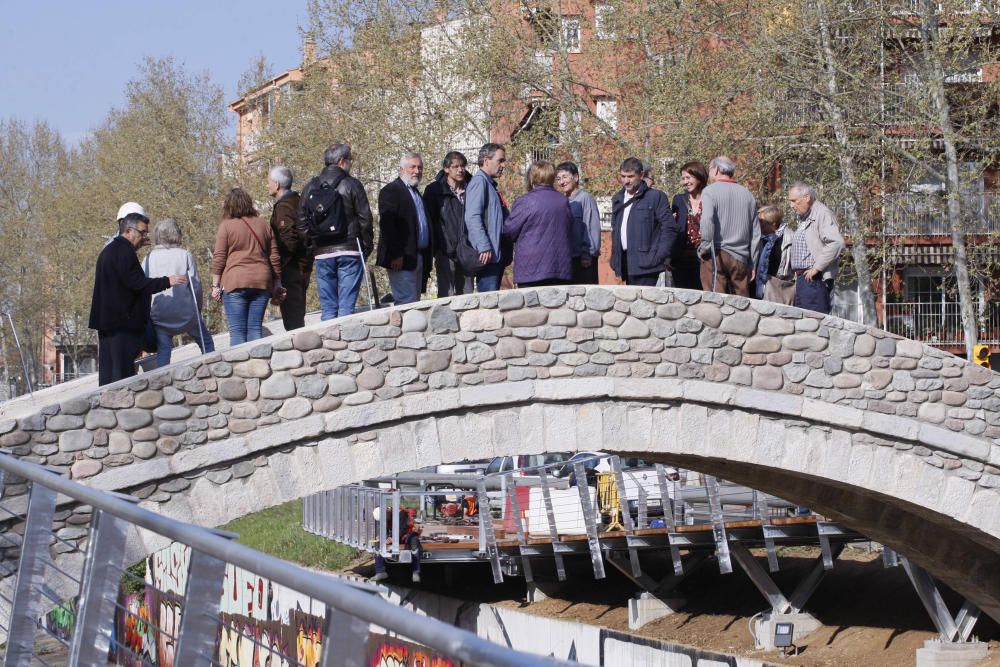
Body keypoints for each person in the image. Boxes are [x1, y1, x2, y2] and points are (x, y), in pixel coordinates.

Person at [89, 209, 187, 386]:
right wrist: (168, 281)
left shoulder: (110, 250)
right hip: (122, 325)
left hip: (108, 323)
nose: (144, 237)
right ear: (128, 231)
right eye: (142, 233)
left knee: (108, 375)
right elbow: (139, 284)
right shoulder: (124, 252)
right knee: (122, 377)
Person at [298, 143, 374, 320]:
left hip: (322, 252)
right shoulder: (352, 184)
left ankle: (329, 344)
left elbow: (301, 223)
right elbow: (365, 218)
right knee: (346, 307)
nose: (351, 164)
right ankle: (346, 344)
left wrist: (312, 246)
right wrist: (366, 246)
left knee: (328, 308)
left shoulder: (311, 186)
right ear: (341, 161)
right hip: (349, 248)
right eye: (350, 161)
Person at [210, 188, 283, 346]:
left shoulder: (226, 226)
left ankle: (241, 369)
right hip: (262, 282)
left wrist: (215, 285)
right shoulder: (264, 225)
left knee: (237, 331)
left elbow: (219, 257)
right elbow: (274, 256)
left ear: (228, 206)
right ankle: (258, 366)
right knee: (255, 329)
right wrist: (277, 281)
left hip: (235, 282)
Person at [144, 219, 214, 367]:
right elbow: (195, 285)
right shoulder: (185, 255)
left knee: (164, 350)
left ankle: (162, 380)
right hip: (186, 313)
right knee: (206, 341)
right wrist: (198, 310)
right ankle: (213, 366)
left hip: (160, 315)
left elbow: (144, 287)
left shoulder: (148, 258)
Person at [503, 160, 575, 287]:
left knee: (531, 306)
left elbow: (509, 231)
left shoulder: (525, 201)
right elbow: (569, 229)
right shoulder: (563, 201)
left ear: (532, 178)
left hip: (530, 268)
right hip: (559, 267)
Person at [377, 152, 433, 304]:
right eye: (412, 167)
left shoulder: (416, 193)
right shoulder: (391, 191)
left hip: (418, 257)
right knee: (406, 302)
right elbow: (388, 225)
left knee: (414, 301)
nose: (417, 171)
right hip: (401, 258)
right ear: (402, 169)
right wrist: (396, 254)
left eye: (420, 167)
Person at [699, 156, 760, 296]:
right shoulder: (747, 194)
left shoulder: (709, 191)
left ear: (717, 170)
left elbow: (707, 220)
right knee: (742, 302)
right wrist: (753, 262)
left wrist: (704, 247)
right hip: (741, 257)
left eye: (710, 169)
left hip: (716, 253)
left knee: (715, 302)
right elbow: (755, 233)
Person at [609, 156, 676, 286]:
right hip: (625, 264)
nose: (626, 181)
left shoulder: (655, 197)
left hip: (647, 266)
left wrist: (658, 257)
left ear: (640, 175)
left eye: (630, 176)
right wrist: (615, 258)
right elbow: (615, 230)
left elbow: (669, 228)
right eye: (623, 176)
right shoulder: (617, 198)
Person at [787, 182, 845, 314]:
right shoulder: (806, 217)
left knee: (813, 325)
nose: (791, 205)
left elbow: (836, 242)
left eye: (794, 201)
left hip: (814, 280)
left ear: (807, 197)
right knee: (805, 326)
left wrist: (816, 268)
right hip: (803, 280)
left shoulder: (822, 214)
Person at [422, 151, 473, 296]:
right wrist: (438, 247)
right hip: (444, 251)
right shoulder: (434, 190)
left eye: (462, 166)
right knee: (446, 296)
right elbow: (429, 222)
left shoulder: (472, 188)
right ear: (446, 168)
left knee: (468, 295)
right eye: (455, 166)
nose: (460, 170)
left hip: (468, 250)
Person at [268, 166, 310, 330]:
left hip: (292, 269)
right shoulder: (297, 201)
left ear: (277, 185)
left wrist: (278, 265)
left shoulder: (284, 207)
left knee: (293, 322)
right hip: (300, 265)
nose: (267, 186)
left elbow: (289, 240)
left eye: (269, 182)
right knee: (296, 317)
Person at [464, 142, 509, 292]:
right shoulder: (479, 182)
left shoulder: (489, 184)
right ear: (486, 160)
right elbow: (472, 217)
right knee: (488, 302)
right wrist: (483, 246)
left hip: (495, 254)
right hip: (488, 256)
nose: (503, 165)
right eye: (500, 160)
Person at [556, 161, 601, 284]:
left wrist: (587, 254)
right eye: (558, 179)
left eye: (565, 177)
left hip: (583, 259)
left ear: (576, 177)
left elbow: (592, 226)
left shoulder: (585, 198)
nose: (561, 182)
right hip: (568, 259)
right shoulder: (562, 201)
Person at [670, 161, 709, 290]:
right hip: (681, 260)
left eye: (688, 177)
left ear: (699, 176)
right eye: (683, 178)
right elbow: (672, 229)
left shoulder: (710, 199)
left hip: (705, 260)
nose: (685, 182)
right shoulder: (678, 200)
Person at [755, 206, 795, 305]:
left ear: (773, 224)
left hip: (779, 286)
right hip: (759, 283)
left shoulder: (790, 237)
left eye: (762, 223)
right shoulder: (758, 237)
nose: (759, 225)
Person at [372, 507, 422, 584]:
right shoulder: (386, 518)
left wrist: (393, 538)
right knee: (378, 544)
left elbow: (403, 529)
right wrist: (381, 537)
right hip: (395, 536)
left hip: (406, 534)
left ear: (386, 513)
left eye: (385, 518)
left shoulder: (400, 514)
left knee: (414, 542)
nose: (385, 521)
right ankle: (380, 571)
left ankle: (416, 572)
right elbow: (384, 529)